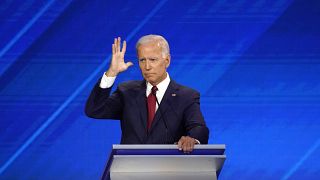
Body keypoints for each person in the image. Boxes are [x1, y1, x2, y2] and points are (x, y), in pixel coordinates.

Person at [85, 35, 209, 152]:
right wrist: (111, 72)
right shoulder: (127, 92)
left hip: (168, 168)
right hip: (131, 170)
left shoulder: (186, 96)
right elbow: (95, 110)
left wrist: (192, 139)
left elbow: (199, 128)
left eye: (153, 60)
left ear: (167, 61)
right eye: (142, 60)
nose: (147, 66)